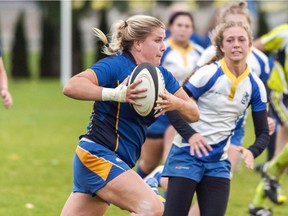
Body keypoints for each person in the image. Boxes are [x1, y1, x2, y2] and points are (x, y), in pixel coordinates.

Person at [60, 15, 201, 216]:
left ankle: (151, 181)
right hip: (97, 155)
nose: (164, 46)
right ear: (138, 44)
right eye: (158, 40)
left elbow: (194, 113)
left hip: (118, 161)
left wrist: (175, 102)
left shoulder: (163, 77)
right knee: (153, 209)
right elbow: (71, 86)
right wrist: (117, 94)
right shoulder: (116, 65)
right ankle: (152, 181)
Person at [162, 21, 270, 216]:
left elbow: (263, 132)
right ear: (221, 46)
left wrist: (252, 151)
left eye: (241, 40)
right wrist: (191, 135)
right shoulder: (208, 73)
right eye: (230, 40)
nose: (236, 44)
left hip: (218, 162)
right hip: (186, 154)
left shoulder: (255, 85)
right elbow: (171, 106)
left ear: (250, 45)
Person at [136, 11, 203, 180]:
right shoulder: (162, 48)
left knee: (173, 162)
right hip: (160, 112)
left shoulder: (199, 53)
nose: (183, 29)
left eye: (187, 26)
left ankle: (168, 203)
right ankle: (139, 192)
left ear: (192, 30)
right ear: (171, 27)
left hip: (184, 111)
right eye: (179, 25)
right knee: (149, 162)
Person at [249, 23, 288, 216]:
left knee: (281, 155)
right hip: (281, 93)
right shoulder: (284, 33)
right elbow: (254, 48)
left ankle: (257, 203)